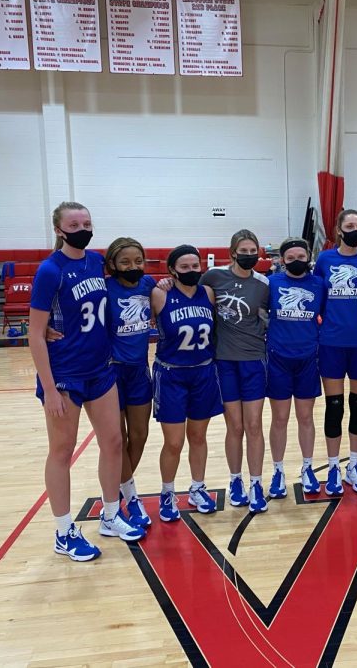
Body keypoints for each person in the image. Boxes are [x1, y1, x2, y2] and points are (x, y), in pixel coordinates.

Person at [29, 202, 143, 561]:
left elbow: (130, 277)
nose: (83, 227)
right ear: (60, 230)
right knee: (62, 452)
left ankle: (111, 515)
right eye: (75, 223)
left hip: (100, 369)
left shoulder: (95, 261)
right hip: (65, 375)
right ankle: (63, 532)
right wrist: (49, 389)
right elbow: (34, 334)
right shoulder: (50, 270)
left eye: (87, 222)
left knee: (112, 442)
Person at [151, 245, 224, 522]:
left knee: (198, 437)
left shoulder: (208, 293)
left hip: (203, 373)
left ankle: (197, 488)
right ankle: (167, 493)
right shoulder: (160, 293)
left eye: (195, 266)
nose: (192, 271)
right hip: (171, 374)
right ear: (172, 270)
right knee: (173, 442)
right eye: (185, 267)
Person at [200, 230, 271, 513]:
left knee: (254, 425)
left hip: (254, 359)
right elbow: (189, 291)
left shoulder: (263, 284)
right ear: (232, 252)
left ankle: (256, 482)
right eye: (244, 250)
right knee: (236, 426)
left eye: (253, 250)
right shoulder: (213, 277)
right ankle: (235, 481)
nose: (249, 254)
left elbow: (267, 315)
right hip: (224, 361)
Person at [314, 209, 357, 495]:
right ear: (339, 230)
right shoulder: (325, 260)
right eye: (349, 225)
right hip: (332, 342)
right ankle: (332, 467)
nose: (355, 229)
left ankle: (354, 464)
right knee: (335, 407)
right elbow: (319, 298)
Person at [266, 238, 326, 498]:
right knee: (279, 418)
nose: (296, 261)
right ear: (282, 260)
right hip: (278, 358)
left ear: (308, 256)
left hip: (307, 358)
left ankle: (307, 467)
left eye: (300, 256)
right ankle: (278, 470)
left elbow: (323, 315)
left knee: (305, 417)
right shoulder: (271, 283)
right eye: (290, 258)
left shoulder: (319, 284)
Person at [105, 238, 155, 527]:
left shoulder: (148, 285)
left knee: (139, 435)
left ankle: (118, 492)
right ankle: (130, 497)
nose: (132, 266)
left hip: (138, 370)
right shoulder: (104, 288)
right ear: (113, 264)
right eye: (125, 261)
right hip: (110, 371)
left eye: (138, 260)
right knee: (118, 439)